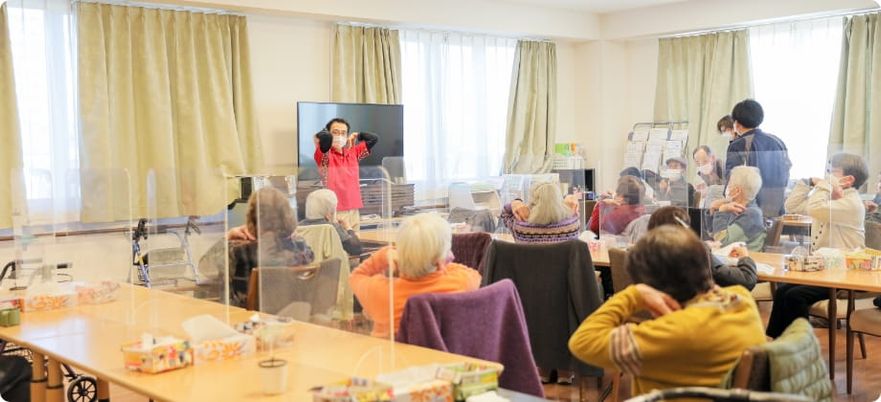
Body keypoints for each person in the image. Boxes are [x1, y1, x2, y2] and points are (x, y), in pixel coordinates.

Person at [568, 226, 765, 397]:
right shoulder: (741, 300)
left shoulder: (668, 335)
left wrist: (633, 294)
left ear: (653, 287)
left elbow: (582, 342)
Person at [766, 152, 868, 338]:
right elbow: (792, 205)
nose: (826, 176)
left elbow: (814, 208)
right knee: (782, 291)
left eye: (831, 172)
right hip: (824, 271)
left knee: (795, 296)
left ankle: (801, 347)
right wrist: (807, 182)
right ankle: (778, 343)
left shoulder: (852, 203)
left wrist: (825, 185)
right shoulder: (829, 199)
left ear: (849, 179)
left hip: (844, 275)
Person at [349, 213, 481, 338]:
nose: (452, 255)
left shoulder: (382, 293)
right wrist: (440, 263)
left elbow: (356, 276)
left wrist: (385, 254)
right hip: (442, 360)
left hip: (393, 360)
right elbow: (474, 274)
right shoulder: (460, 282)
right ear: (440, 259)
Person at [210, 187, 315, 307]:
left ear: (251, 217)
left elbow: (206, 269)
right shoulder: (301, 247)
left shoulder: (239, 251)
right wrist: (291, 235)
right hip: (293, 316)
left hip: (246, 319)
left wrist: (227, 236)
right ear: (287, 214)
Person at [647, 206, 757, 290]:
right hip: (695, 316)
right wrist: (745, 258)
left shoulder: (642, 257)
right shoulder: (695, 256)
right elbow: (747, 281)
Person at [724, 99, 792, 218]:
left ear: (737, 124)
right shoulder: (777, 141)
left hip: (748, 212)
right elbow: (786, 172)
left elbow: (732, 181)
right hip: (777, 210)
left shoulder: (738, 145)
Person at [313, 118, 379, 230]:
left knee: (355, 243)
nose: (339, 136)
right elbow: (323, 139)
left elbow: (373, 139)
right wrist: (323, 136)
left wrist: (358, 135)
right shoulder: (325, 155)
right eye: (335, 132)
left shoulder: (353, 152)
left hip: (354, 209)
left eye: (343, 133)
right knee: (339, 245)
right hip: (335, 210)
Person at [500, 182, 581, 243]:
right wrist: (570, 198)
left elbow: (505, 213)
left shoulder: (519, 227)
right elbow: (574, 210)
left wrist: (516, 202)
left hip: (528, 266)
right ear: (559, 202)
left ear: (532, 203)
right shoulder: (573, 225)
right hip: (564, 266)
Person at [710, 166, 766, 251]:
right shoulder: (732, 207)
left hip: (744, 261)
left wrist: (721, 211)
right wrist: (713, 207)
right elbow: (711, 233)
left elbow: (721, 242)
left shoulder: (752, 215)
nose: (727, 186)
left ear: (737, 190)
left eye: (729, 183)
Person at [300, 189, 363, 256]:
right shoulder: (333, 228)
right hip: (331, 266)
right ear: (329, 212)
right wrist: (348, 228)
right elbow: (356, 249)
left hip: (306, 266)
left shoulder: (297, 228)